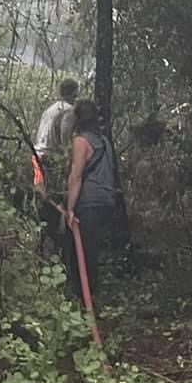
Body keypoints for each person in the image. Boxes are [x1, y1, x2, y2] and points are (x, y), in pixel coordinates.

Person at [60, 100, 119, 295]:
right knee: (91, 250)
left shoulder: (81, 141)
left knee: (82, 253)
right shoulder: (104, 141)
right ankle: (90, 297)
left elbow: (76, 177)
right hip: (106, 202)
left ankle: (85, 299)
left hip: (88, 203)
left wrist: (70, 208)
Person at [35, 77, 80, 158]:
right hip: (51, 156)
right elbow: (65, 135)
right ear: (73, 93)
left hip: (38, 153)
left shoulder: (49, 110)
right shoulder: (68, 110)